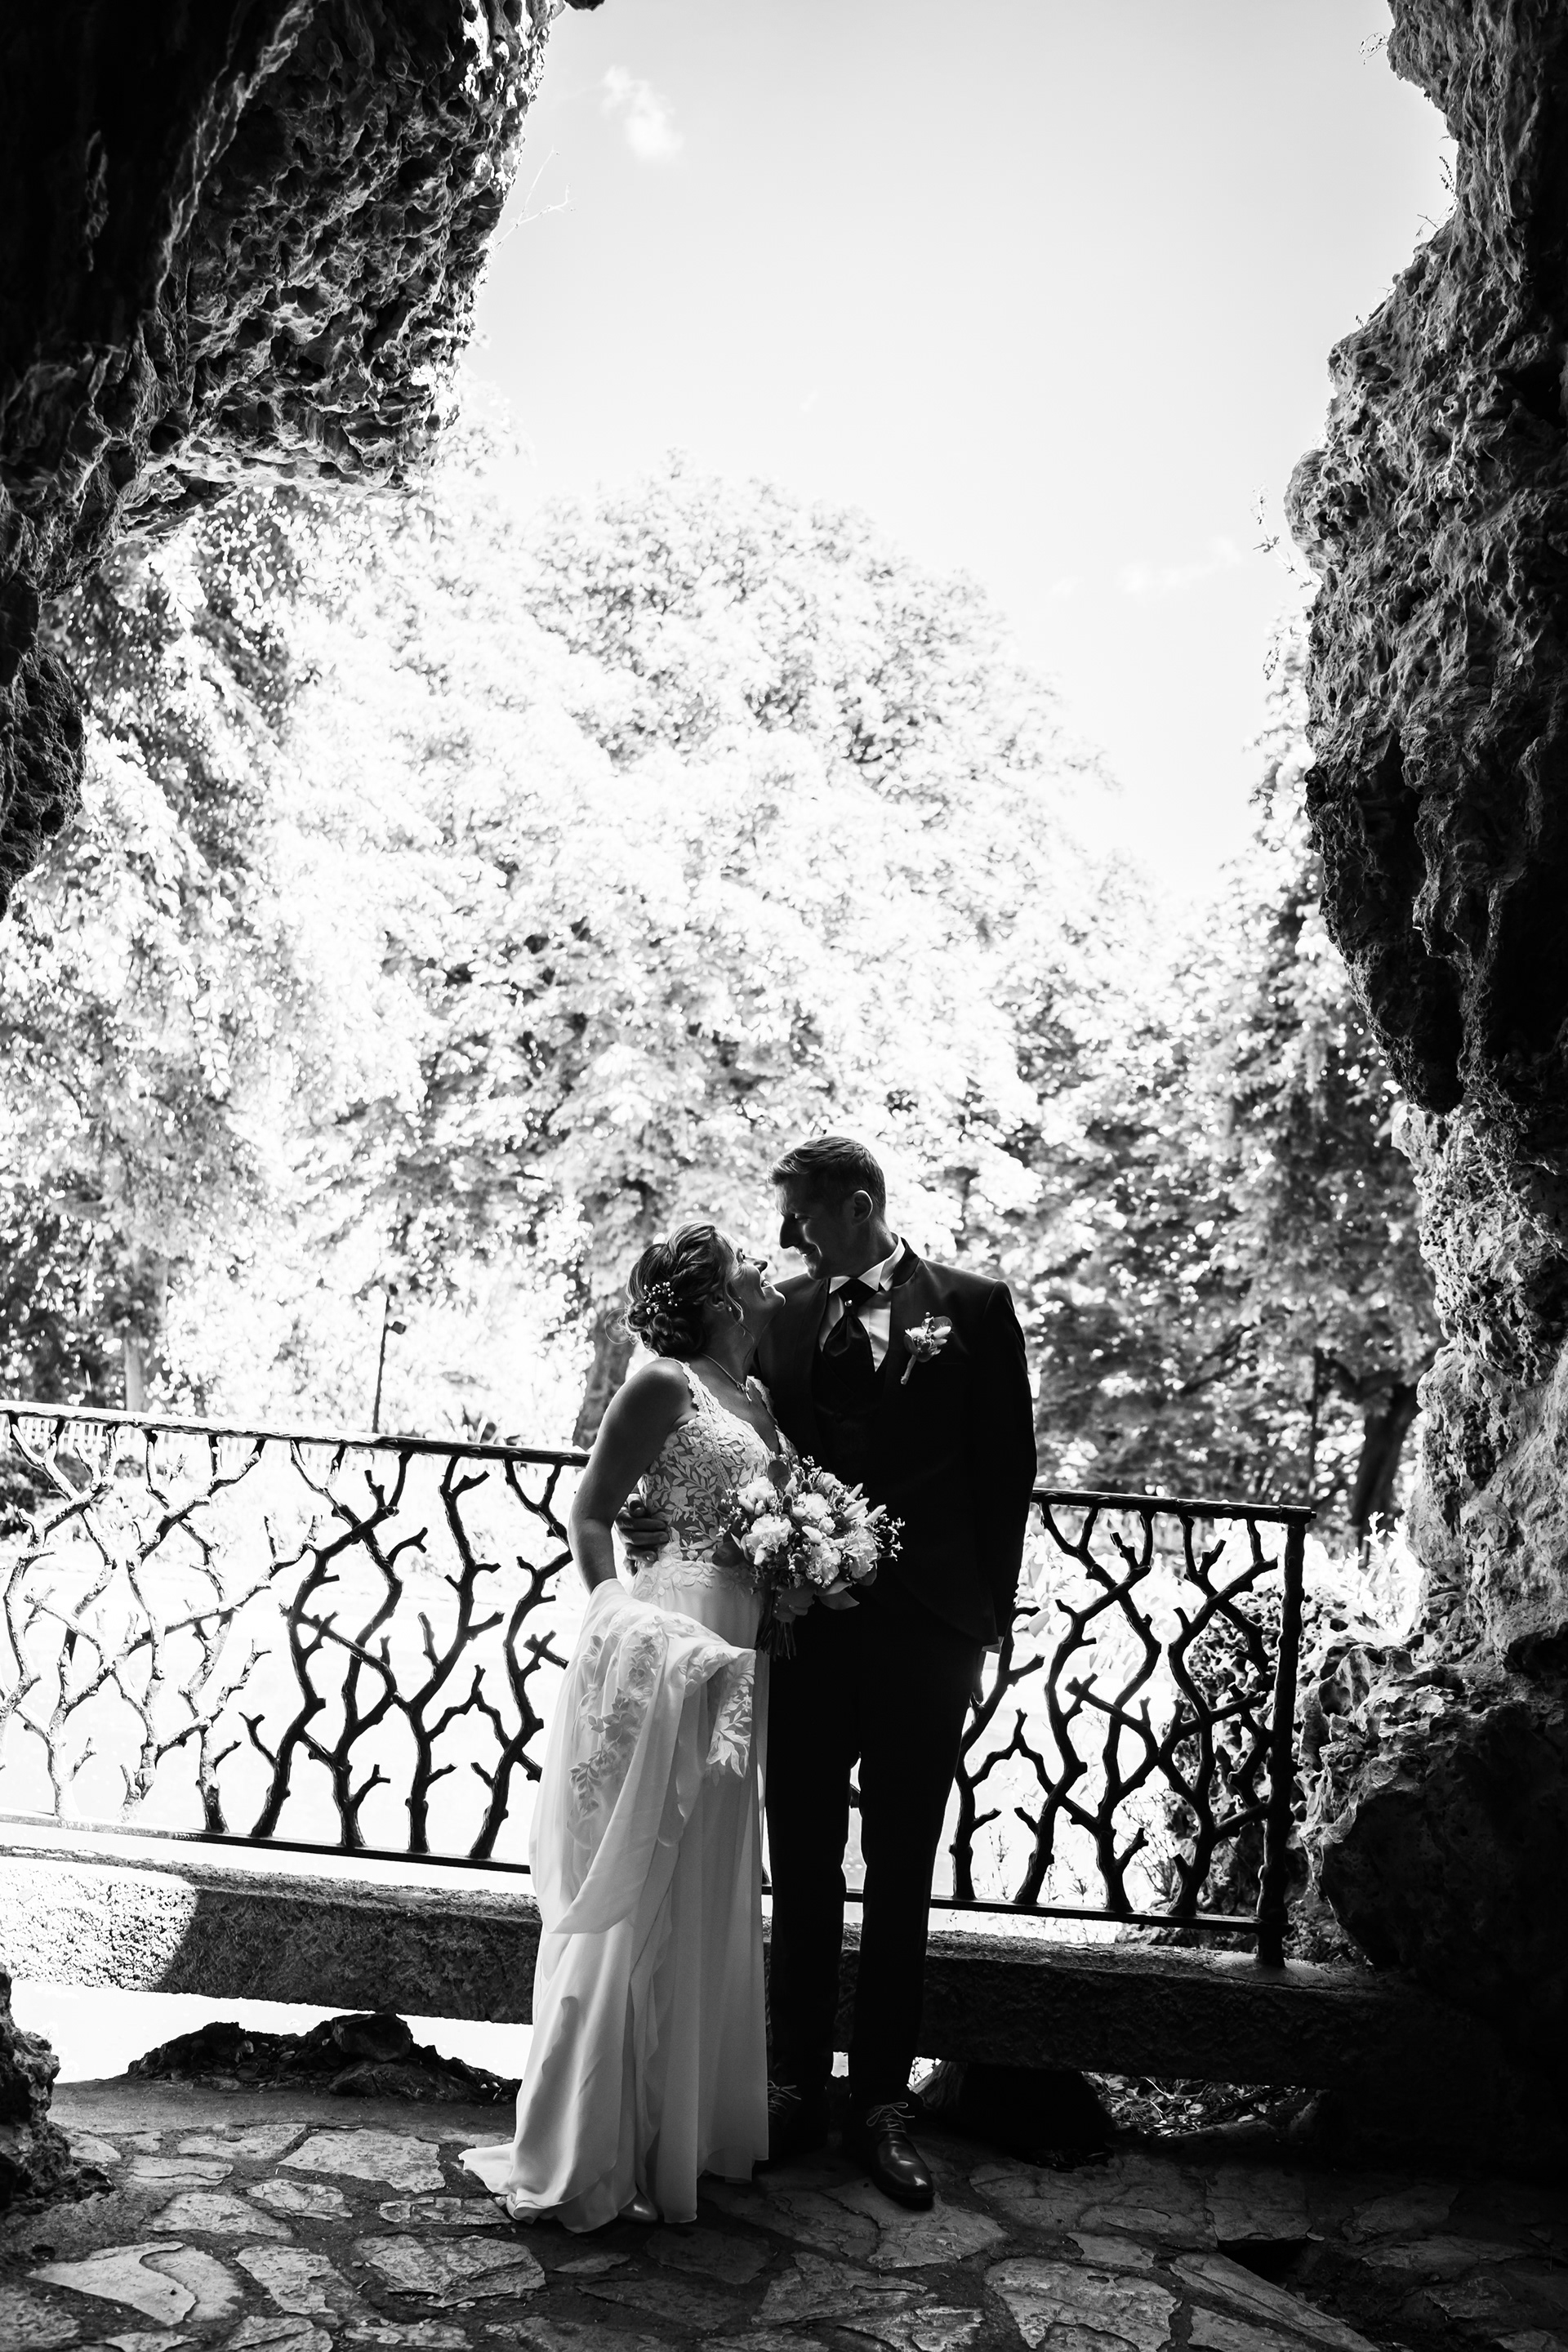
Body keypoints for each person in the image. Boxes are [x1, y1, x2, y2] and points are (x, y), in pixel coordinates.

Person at [626, 1137, 1038, 2212]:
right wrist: (670, 1525)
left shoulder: (970, 1307)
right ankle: (795, 2083)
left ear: (858, 1206)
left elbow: (1006, 1469)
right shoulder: (783, 1316)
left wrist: (980, 1620)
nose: (790, 1238)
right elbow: (721, 1426)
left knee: (903, 1871)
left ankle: (881, 2105)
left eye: (804, 1217)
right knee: (801, 1865)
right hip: (803, 1638)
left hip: (926, 1640)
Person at [462, 1223, 789, 2230]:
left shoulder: (758, 1398)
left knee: (712, 1871)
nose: (769, 1272)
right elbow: (591, 1511)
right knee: (652, 1864)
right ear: (723, 1298)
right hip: (673, 1636)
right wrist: (620, 1617)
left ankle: (683, 2134)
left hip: (740, 1648)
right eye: (752, 1266)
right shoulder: (663, 1384)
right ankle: (599, 2140)